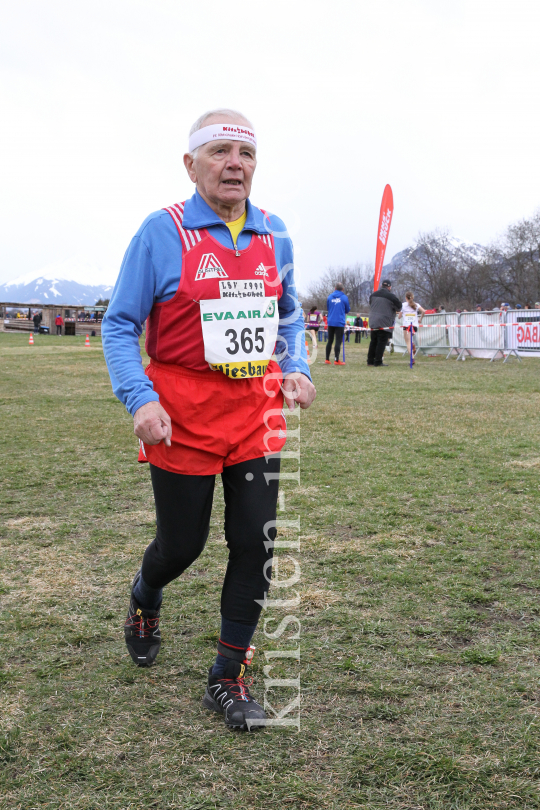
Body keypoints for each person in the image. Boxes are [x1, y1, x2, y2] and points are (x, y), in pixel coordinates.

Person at [102, 108, 316, 732]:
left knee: (257, 542)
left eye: (245, 154)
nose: (235, 165)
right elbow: (119, 324)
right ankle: (146, 596)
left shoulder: (274, 232)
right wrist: (139, 399)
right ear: (191, 163)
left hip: (254, 414)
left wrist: (296, 364)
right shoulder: (160, 232)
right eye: (220, 151)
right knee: (182, 545)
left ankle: (227, 676)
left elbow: (288, 314)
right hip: (182, 417)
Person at [367, 280, 401, 366]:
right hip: (384, 322)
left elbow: (371, 304)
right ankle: (378, 361)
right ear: (389, 287)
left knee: (373, 341)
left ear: (381, 286)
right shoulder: (391, 296)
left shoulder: (373, 295)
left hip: (373, 321)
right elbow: (399, 307)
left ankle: (370, 361)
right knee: (381, 342)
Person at [325, 283, 350, 365]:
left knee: (330, 341)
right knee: (338, 341)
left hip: (331, 321)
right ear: (343, 289)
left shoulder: (330, 297)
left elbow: (328, 308)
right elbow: (347, 309)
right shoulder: (344, 297)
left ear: (335, 288)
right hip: (339, 322)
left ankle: (327, 359)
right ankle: (336, 360)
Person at [398, 291, 425, 363]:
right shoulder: (416, 305)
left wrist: (400, 314)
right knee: (410, 339)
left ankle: (412, 358)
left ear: (406, 298)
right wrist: (420, 319)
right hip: (414, 326)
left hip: (407, 326)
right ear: (412, 298)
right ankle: (412, 344)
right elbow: (424, 311)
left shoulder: (403, 305)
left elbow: (399, 317)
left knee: (408, 342)